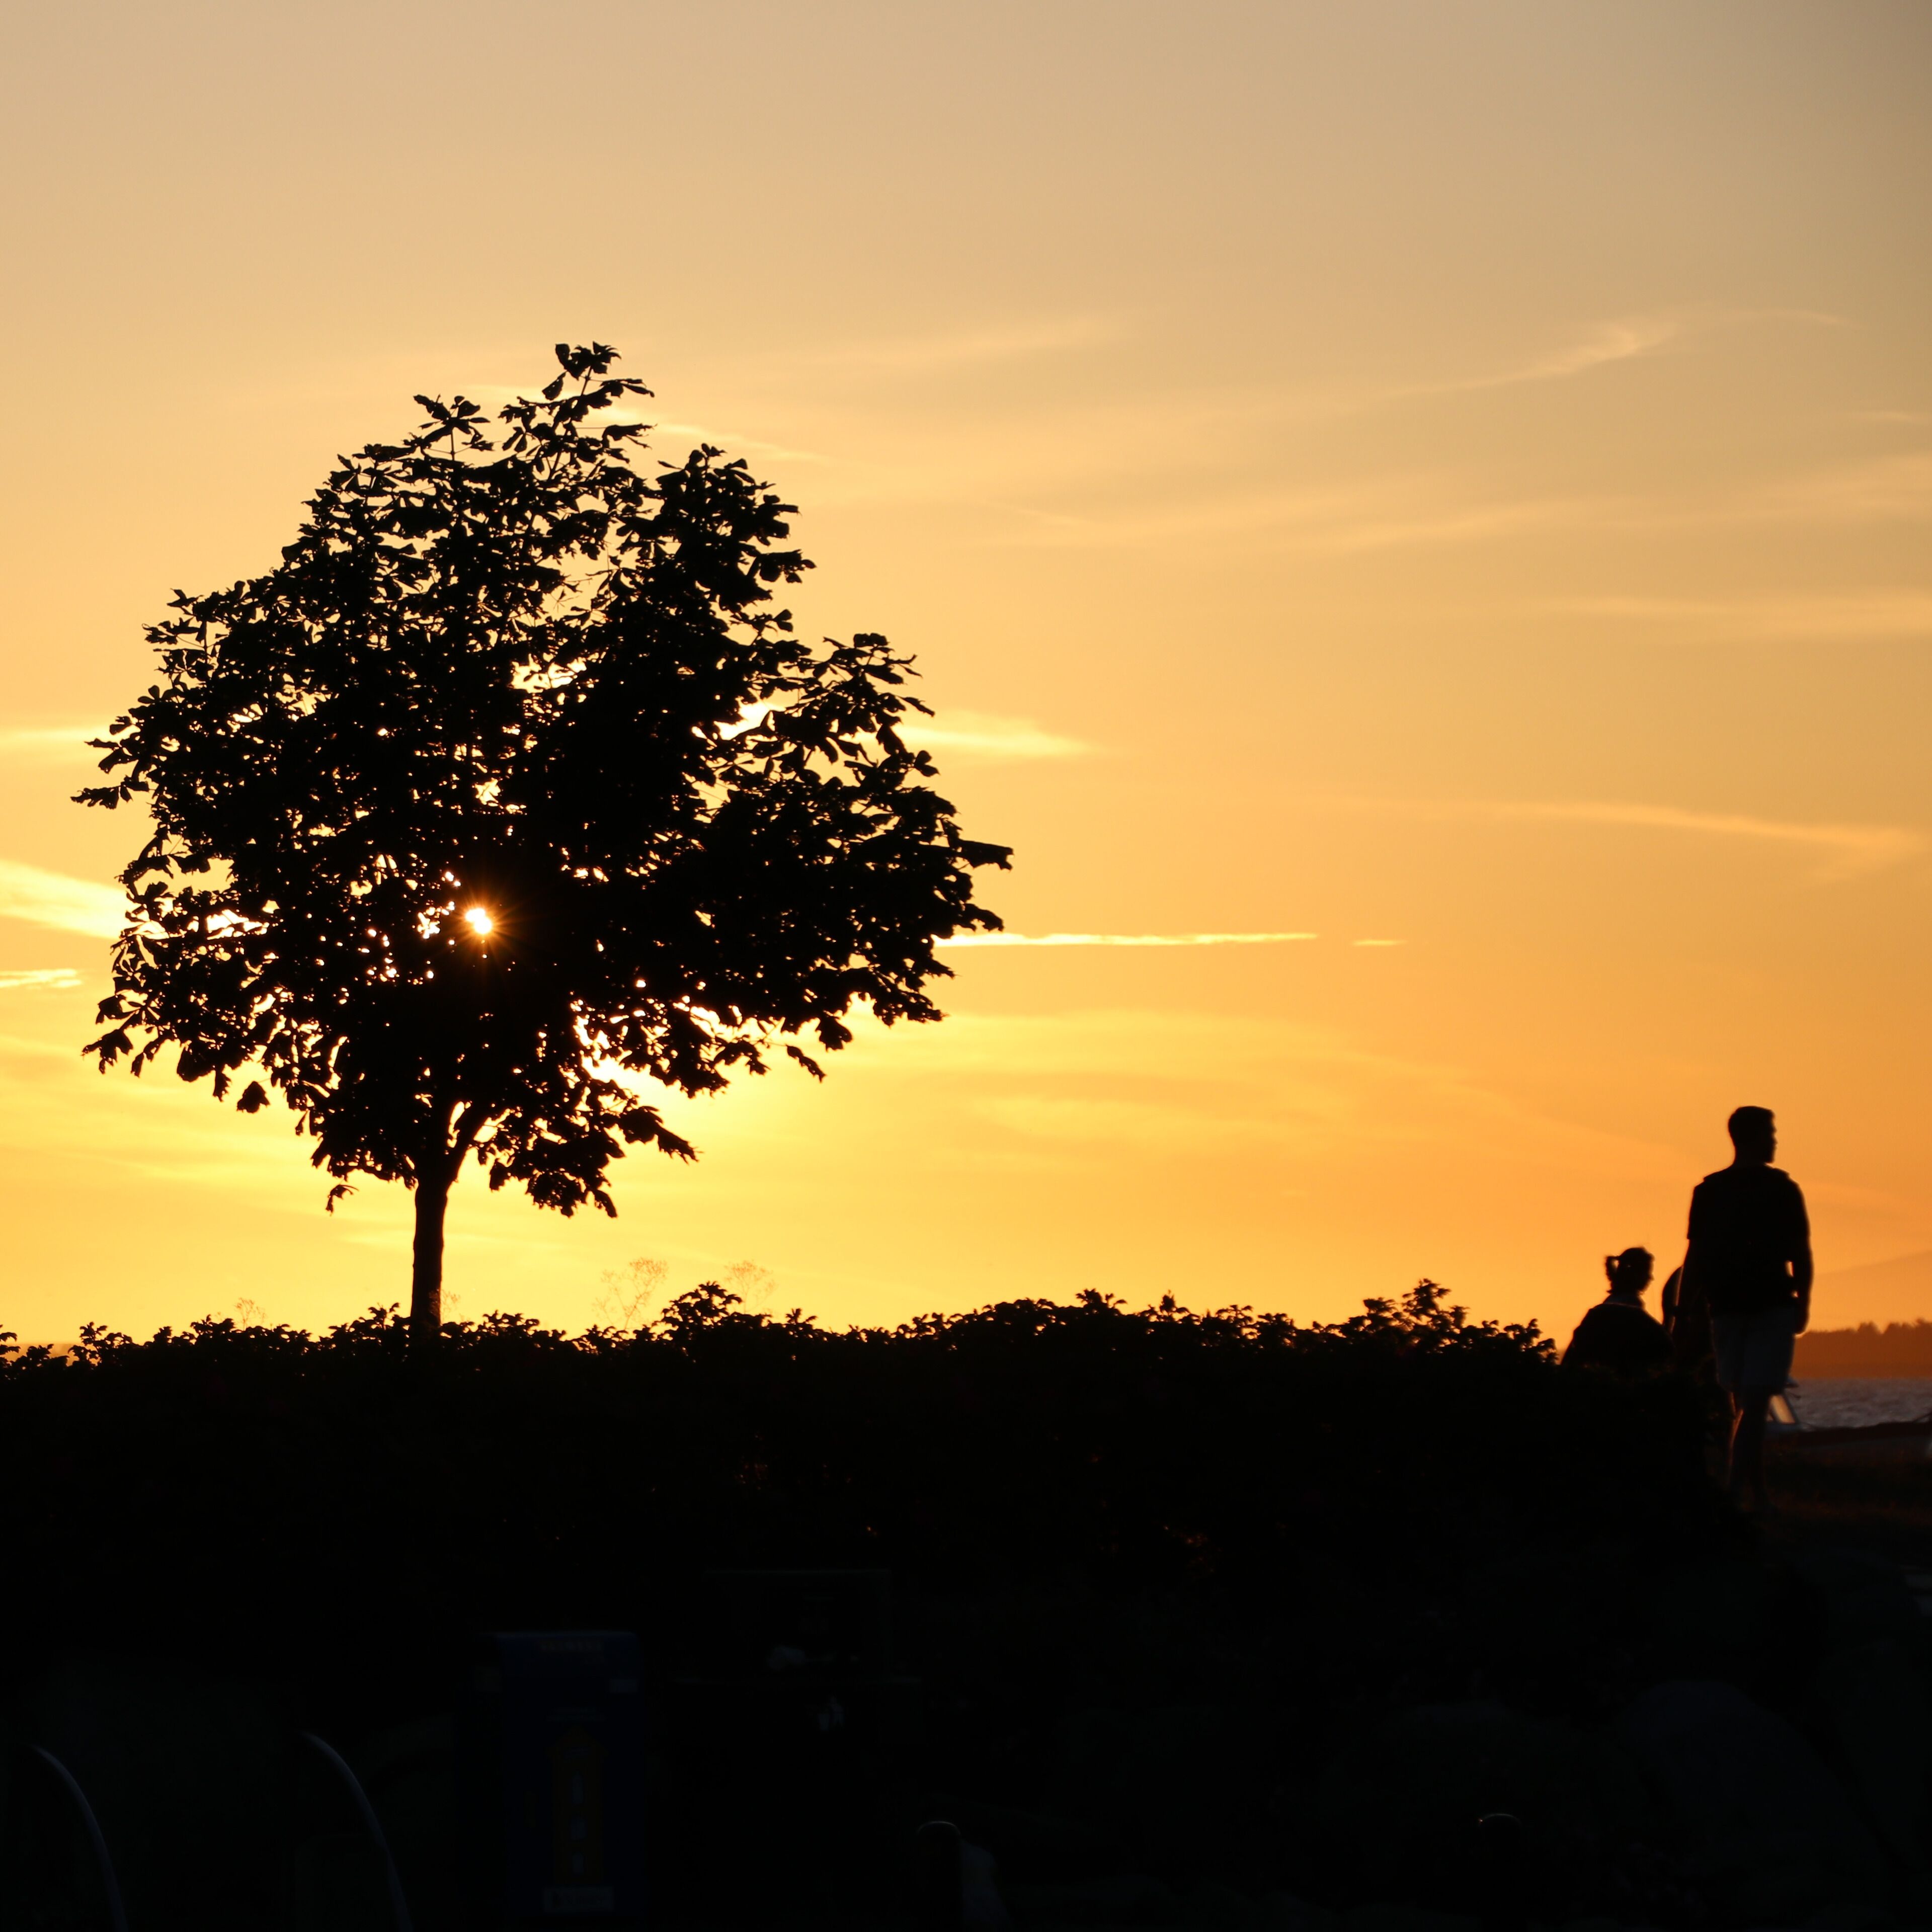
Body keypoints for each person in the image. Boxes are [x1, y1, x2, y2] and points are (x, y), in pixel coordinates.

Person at [1680, 1105, 1812, 1512]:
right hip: (1767, 1306)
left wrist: (1685, 1309)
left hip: (1726, 1308)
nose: (1775, 1140)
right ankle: (1737, 1496)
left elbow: (1695, 1258)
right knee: (1751, 1406)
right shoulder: (1782, 1190)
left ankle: (1755, 1495)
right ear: (1752, 1137)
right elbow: (1800, 1253)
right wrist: (1802, 1303)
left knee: (1747, 1406)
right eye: (1770, 1133)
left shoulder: (1709, 1191)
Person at [1563, 1247, 1672, 1375]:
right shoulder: (1633, 1313)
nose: (1651, 1278)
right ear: (1636, 1274)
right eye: (1647, 1272)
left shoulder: (1605, 1307)